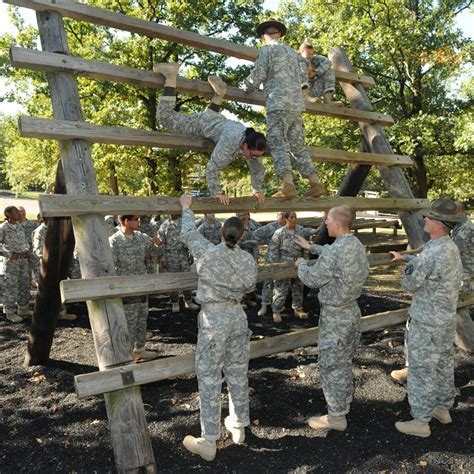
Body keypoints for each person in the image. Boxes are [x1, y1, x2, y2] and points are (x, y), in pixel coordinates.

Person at [179, 194, 257, 462]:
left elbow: (188, 233)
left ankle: (209, 440)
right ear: (242, 235)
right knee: (237, 371)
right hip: (237, 315)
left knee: (210, 377)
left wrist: (186, 208)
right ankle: (238, 425)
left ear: (222, 233)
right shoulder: (248, 260)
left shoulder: (208, 252)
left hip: (215, 319)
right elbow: (249, 287)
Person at [390, 198, 463, 437]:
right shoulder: (448, 246)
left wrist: (407, 269)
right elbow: (429, 265)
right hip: (443, 320)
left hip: (426, 322)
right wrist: (407, 258)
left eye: (429, 218)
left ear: (440, 224)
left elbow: (410, 283)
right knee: (442, 364)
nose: (425, 220)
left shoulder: (434, 251)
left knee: (421, 368)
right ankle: (442, 408)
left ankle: (420, 420)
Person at [294, 205, 369, 431]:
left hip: (336, 318)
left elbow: (313, 279)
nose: (325, 223)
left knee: (331, 365)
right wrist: (312, 246)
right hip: (351, 313)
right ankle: (343, 404)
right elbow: (334, 255)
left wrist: (302, 265)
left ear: (337, 223)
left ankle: (336, 416)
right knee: (344, 361)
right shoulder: (355, 245)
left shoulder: (336, 251)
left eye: (327, 220)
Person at [153, 62, 266, 205]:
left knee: (209, 118)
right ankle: (170, 76)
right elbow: (213, 167)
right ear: (245, 145)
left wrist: (257, 189)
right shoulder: (232, 141)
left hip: (214, 119)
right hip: (202, 124)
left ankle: (219, 94)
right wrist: (217, 192)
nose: (254, 158)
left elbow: (257, 169)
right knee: (165, 117)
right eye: (253, 154)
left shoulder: (250, 140)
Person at [243, 19, 328, 199]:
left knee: (277, 142)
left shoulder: (267, 50)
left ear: (262, 37)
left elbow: (257, 76)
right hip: (296, 106)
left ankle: (287, 185)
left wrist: (245, 87)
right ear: (280, 35)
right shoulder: (294, 54)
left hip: (277, 104)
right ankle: (315, 183)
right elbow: (305, 72)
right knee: (297, 145)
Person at [109, 215, 163, 361]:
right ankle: (127, 354)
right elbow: (110, 268)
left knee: (142, 318)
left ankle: (140, 349)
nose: (139, 221)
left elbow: (156, 253)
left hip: (142, 286)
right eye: (136, 219)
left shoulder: (142, 237)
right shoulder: (114, 241)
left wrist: (159, 244)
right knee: (128, 322)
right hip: (126, 290)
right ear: (126, 221)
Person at [267, 211, 317, 323]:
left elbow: (304, 246)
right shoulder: (279, 233)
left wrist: (305, 260)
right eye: (291, 217)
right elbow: (273, 251)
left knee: (298, 287)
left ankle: (298, 308)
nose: (294, 219)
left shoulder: (299, 230)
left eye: (295, 217)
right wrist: (275, 266)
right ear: (285, 218)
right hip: (284, 263)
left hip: (298, 261)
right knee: (281, 288)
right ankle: (276, 311)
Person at [32, 217, 77, 321]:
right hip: (48, 266)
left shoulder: (59, 229)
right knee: (48, 291)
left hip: (61, 264)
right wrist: (53, 257)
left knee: (60, 288)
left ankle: (61, 312)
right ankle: (45, 316)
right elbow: (37, 250)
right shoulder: (40, 231)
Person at [158, 214, 200, 313]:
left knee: (187, 277)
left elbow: (190, 239)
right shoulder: (164, 226)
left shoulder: (185, 224)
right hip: (170, 255)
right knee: (173, 279)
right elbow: (161, 244)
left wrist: (191, 254)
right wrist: (163, 259)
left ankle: (188, 301)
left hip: (183, 254)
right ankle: (175, 302)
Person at [0, 206, 32, 322]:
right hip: (11, 263)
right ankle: (10, 312)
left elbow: (24, 241)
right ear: (8, 214)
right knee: (11, 287)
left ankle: (23, 309)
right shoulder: (3, 228)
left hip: (23, 260)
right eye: (16, 212)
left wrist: (27, 249)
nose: (19, 214)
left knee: (24, 284)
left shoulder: (19, 226)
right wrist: (9, 254)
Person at [253, 212, 287, 316]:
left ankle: (276, 310)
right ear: (277, 216)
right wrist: (268, 241)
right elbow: (256, 234)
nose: (282, 217)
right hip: (270, 259)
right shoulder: (271, 226)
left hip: (283, 260)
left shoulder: (290, 227)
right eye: (280, 215)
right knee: (268, 283)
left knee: (281, 285)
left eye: (284, 215)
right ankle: (264, 306)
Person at [452, 201, 474, 352]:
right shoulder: (462, 227)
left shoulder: (464, 231)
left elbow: (451, 252)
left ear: (459, 213)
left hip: (465, 281)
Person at [298, 41, 342, 106]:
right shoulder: (295, 58)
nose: (310, 56)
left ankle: (327, 100)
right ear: (300, 53)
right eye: (308, 54)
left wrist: (315, 72)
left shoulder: (314, 59)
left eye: (312, 54)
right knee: (302, 63)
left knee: (329, 70)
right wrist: (307, 64)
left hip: (312, 92)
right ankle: (304, 96)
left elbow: (328, 62)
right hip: (296, 92)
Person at [17, 206, 39, 288]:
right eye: (19, 211)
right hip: (21, 253)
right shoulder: (15, 225)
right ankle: (27, 292)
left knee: (38, 270)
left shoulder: (33, 224)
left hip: (32, 252)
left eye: (23, 211)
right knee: (24, 273)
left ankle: (40, 288)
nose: (22, 213)